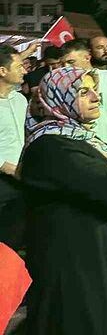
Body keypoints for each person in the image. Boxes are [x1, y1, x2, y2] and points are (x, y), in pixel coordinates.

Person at [21, 67, 107, 335]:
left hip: (92, 260)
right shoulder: (52, 146)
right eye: (82, 91)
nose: (96, 97)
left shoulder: (82, 138)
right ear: (59, 98)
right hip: (74, 268)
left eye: (95, 90)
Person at [62, 39, 107, 160]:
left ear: (87, 58)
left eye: (71, 62)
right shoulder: (63, 84)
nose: (66, 67)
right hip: (77, 149)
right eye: (62, 63)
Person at [0, 46, 29, 249]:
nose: (25, 70)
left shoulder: (20, 100)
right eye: (19, 66)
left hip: (21, 178)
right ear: (2, 71)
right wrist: (5, 166)